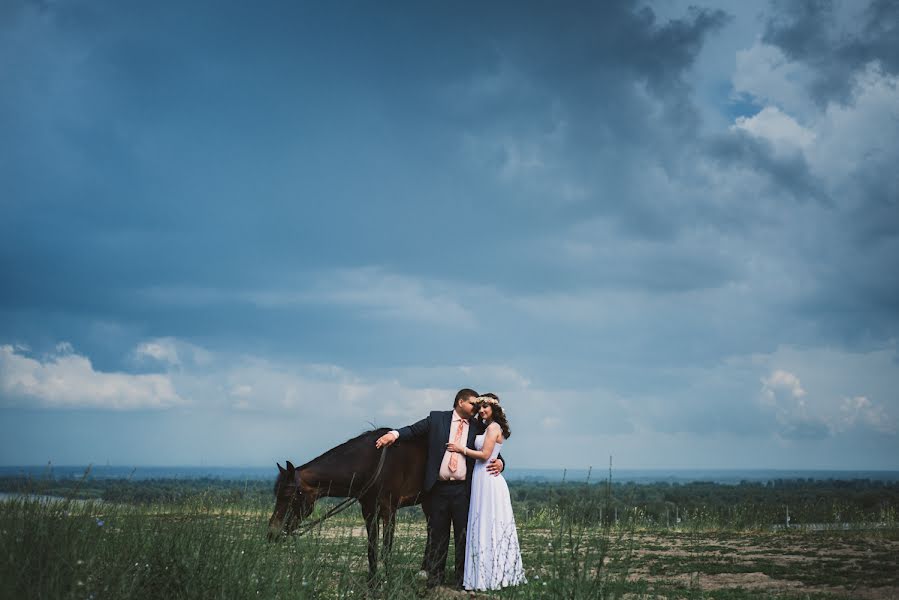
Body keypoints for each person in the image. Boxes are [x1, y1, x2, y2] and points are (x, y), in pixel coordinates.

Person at [374, 388, 504, 589]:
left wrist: (502, 463)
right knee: (438, 537)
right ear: (460, 402)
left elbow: (490, 449)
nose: (476, 409)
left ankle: (462, 581)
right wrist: (393, 434)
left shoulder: (478, 425)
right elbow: (414, 430)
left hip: (464, 490)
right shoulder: (437, 419)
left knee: (463, 537)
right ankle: (435, 581)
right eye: (473, 404)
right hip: (438, 489)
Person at [446, 393, 526, 591]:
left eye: (485, 407)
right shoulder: (485, 426)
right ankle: (482, 574)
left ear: (494, 409)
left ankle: (494, 575)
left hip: (488, 480)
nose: (481, 410)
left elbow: (484, 455)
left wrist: (460, 449)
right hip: (480, 479)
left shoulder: (493, 427)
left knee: (492, 524)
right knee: (481, 524)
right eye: (479, 407)